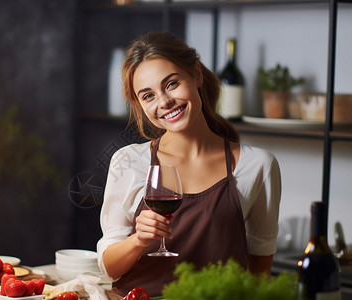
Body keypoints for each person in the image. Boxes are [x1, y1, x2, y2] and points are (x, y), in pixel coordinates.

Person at [96, 32, 281, 297]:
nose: (164, 102)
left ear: (196, 74)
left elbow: (259, 274)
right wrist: (138, 240)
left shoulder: (257, 166)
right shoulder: (128, 161)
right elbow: (109, 269)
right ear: (139, 104)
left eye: (171, 84)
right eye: (148, 96)